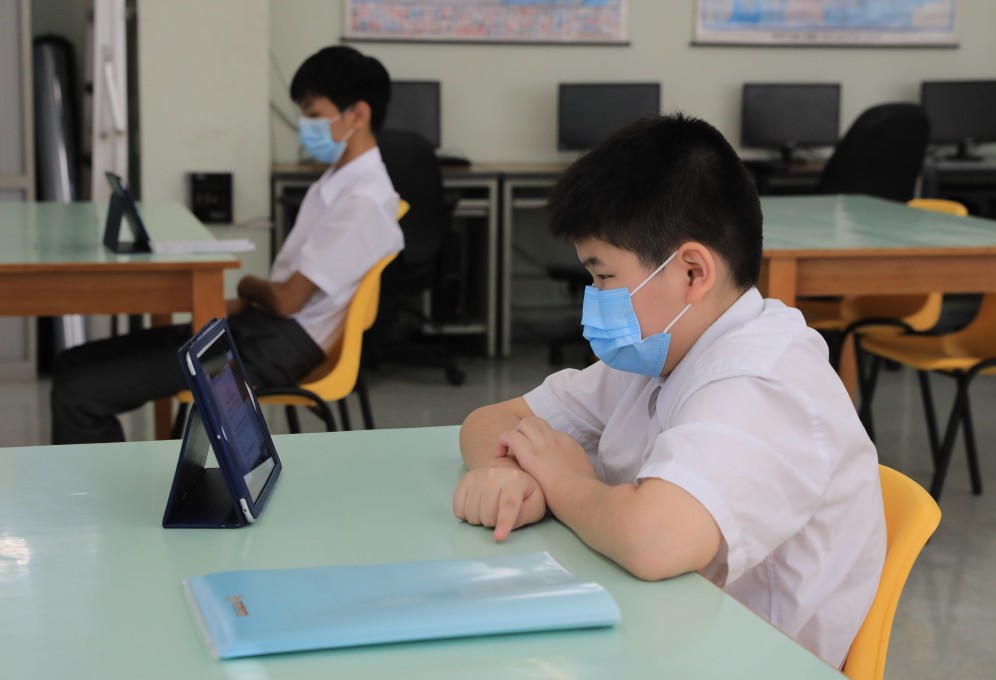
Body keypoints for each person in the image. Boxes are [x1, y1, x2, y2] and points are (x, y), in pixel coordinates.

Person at [451, 113, 886, 668]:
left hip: (749, 660)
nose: (593, 296)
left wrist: (561, 480)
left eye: (605, 277)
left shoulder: (761, 379)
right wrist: (509, 479)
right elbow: (491, 421)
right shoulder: (662, 349)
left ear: (691, 271)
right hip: (665, 634)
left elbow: (651, 541)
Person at [51, 45, 403, 444]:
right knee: (72, 363)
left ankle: (95, 503)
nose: (305, 126)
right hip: (259, 330)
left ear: (357, 115)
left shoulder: (363, 202)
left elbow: (287, 301)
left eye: (313, 114)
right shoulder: (338, 185)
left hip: (275, 349)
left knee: (77, 395)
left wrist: (247, 285)